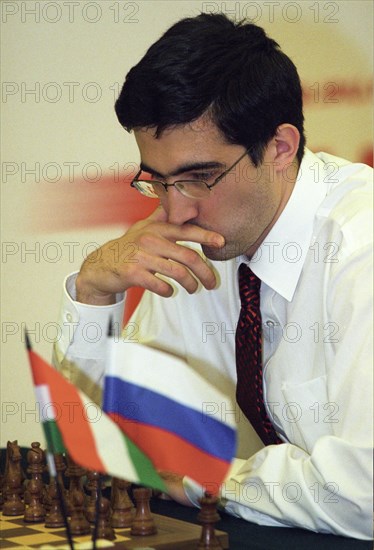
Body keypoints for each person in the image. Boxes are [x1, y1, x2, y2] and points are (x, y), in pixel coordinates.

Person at [54, 13, 373, 540]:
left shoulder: (360, 250)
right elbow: (107, 447)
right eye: (157, 181)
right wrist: (92, 296)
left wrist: (217, 481)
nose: (175, 212)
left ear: (280, 148)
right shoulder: (202, 241)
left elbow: (364, 492)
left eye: (198, 178)